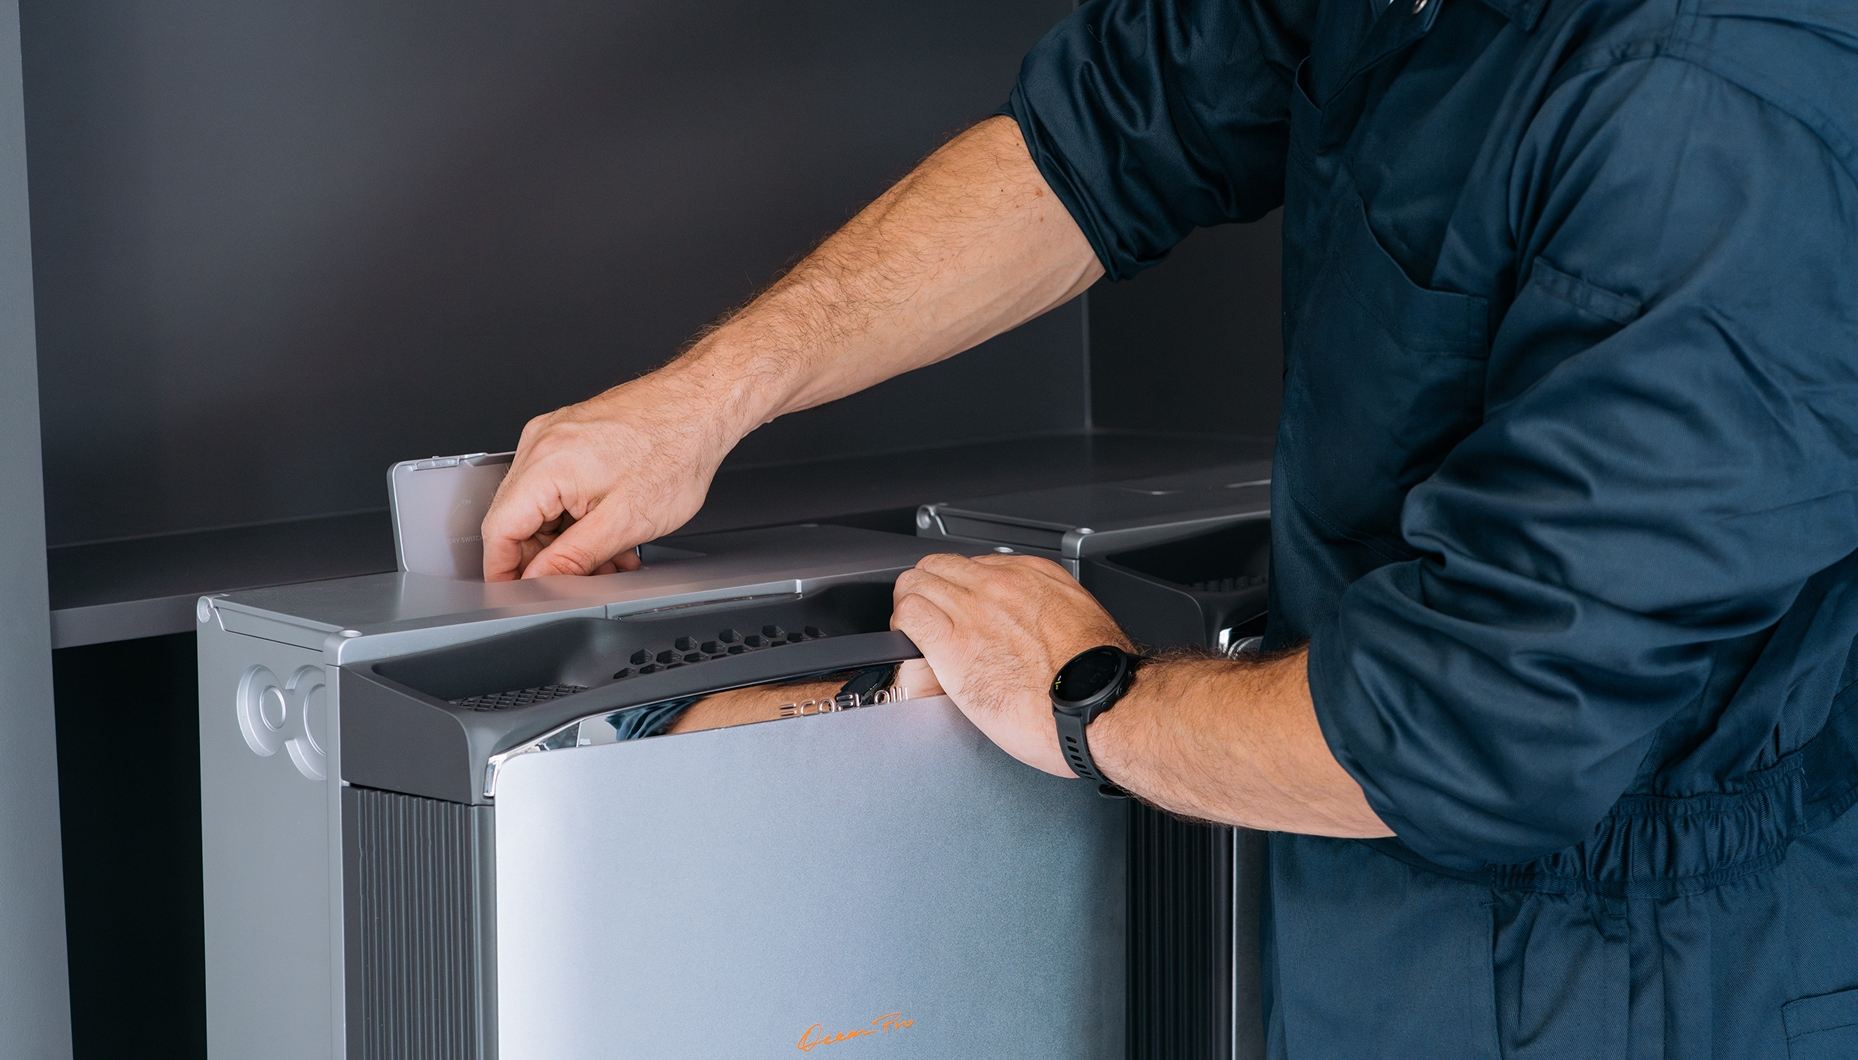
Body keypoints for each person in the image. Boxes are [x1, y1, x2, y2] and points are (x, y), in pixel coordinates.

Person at [481, 0, 1858, 1054]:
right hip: (1376, 918)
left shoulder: (1711, 113)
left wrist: (1084, 696)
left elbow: (1479, 729)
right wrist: (714, 391)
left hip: (1644, 970)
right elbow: (1098, 141)